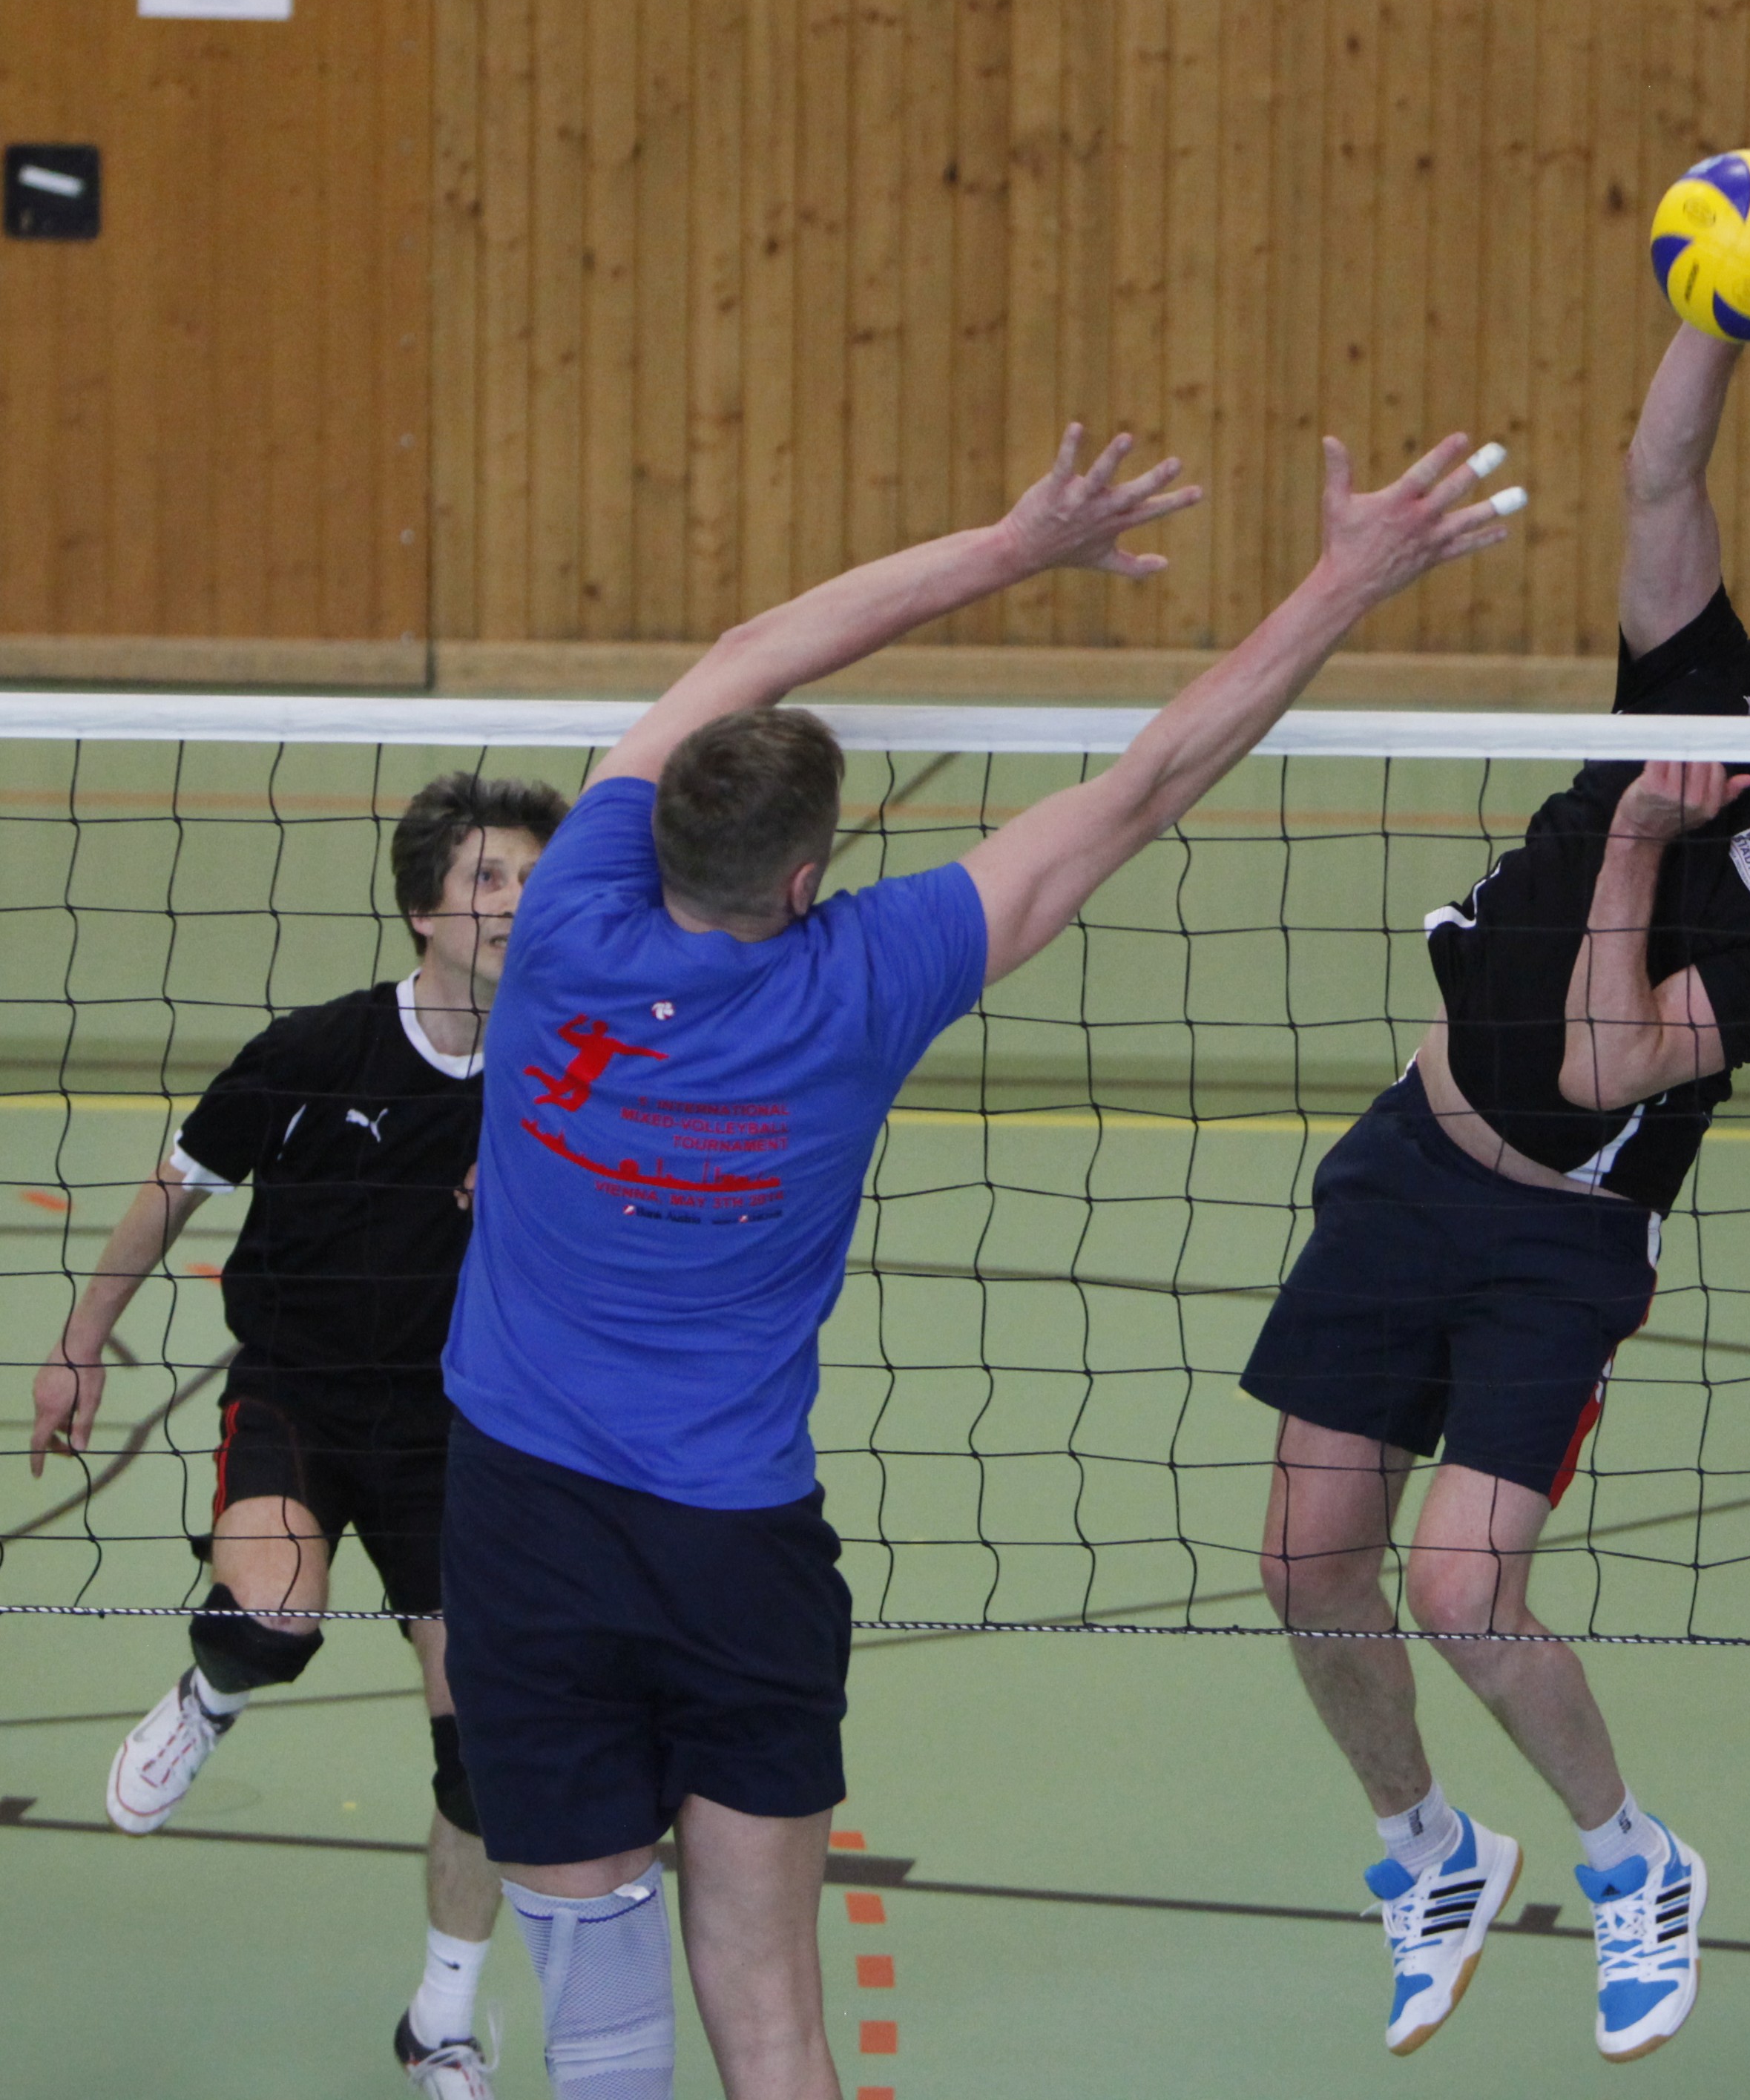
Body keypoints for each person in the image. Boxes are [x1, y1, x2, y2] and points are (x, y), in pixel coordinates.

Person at [436, 420, 1523, 2100]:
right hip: (732, 1552)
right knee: (772, 2016)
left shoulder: (569, 907)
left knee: (600, 2023)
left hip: (521, 1524)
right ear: (809, 877)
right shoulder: (868, 975)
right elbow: (1145, 785)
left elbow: (750, 647)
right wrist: (1345, 576)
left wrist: (1010, 545)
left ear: (656, 831)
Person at [1243, 320, 1750, 2064]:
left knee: (1461, 1590)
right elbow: (1662, 473)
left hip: (1560, 1244)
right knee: (1305, 1561)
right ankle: (1430, 1845)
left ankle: (1633, 1856)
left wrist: (1643, 841)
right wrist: (1717, 307)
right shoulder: (1700, 689)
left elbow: (1604, 1063)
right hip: (1408, 1162)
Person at [29, 770, 568, 2100]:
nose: (516, 902)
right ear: (424, 910)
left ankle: (441, 2022)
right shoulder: (315, 1053)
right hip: (298, 1392)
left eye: (534, 879)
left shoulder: (570, 1076)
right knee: (271, 1624)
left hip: (458, 1427)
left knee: (487, 1755)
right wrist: (81, 1341)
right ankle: (211, 1696)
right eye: (489, 878)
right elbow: (175, 1189)